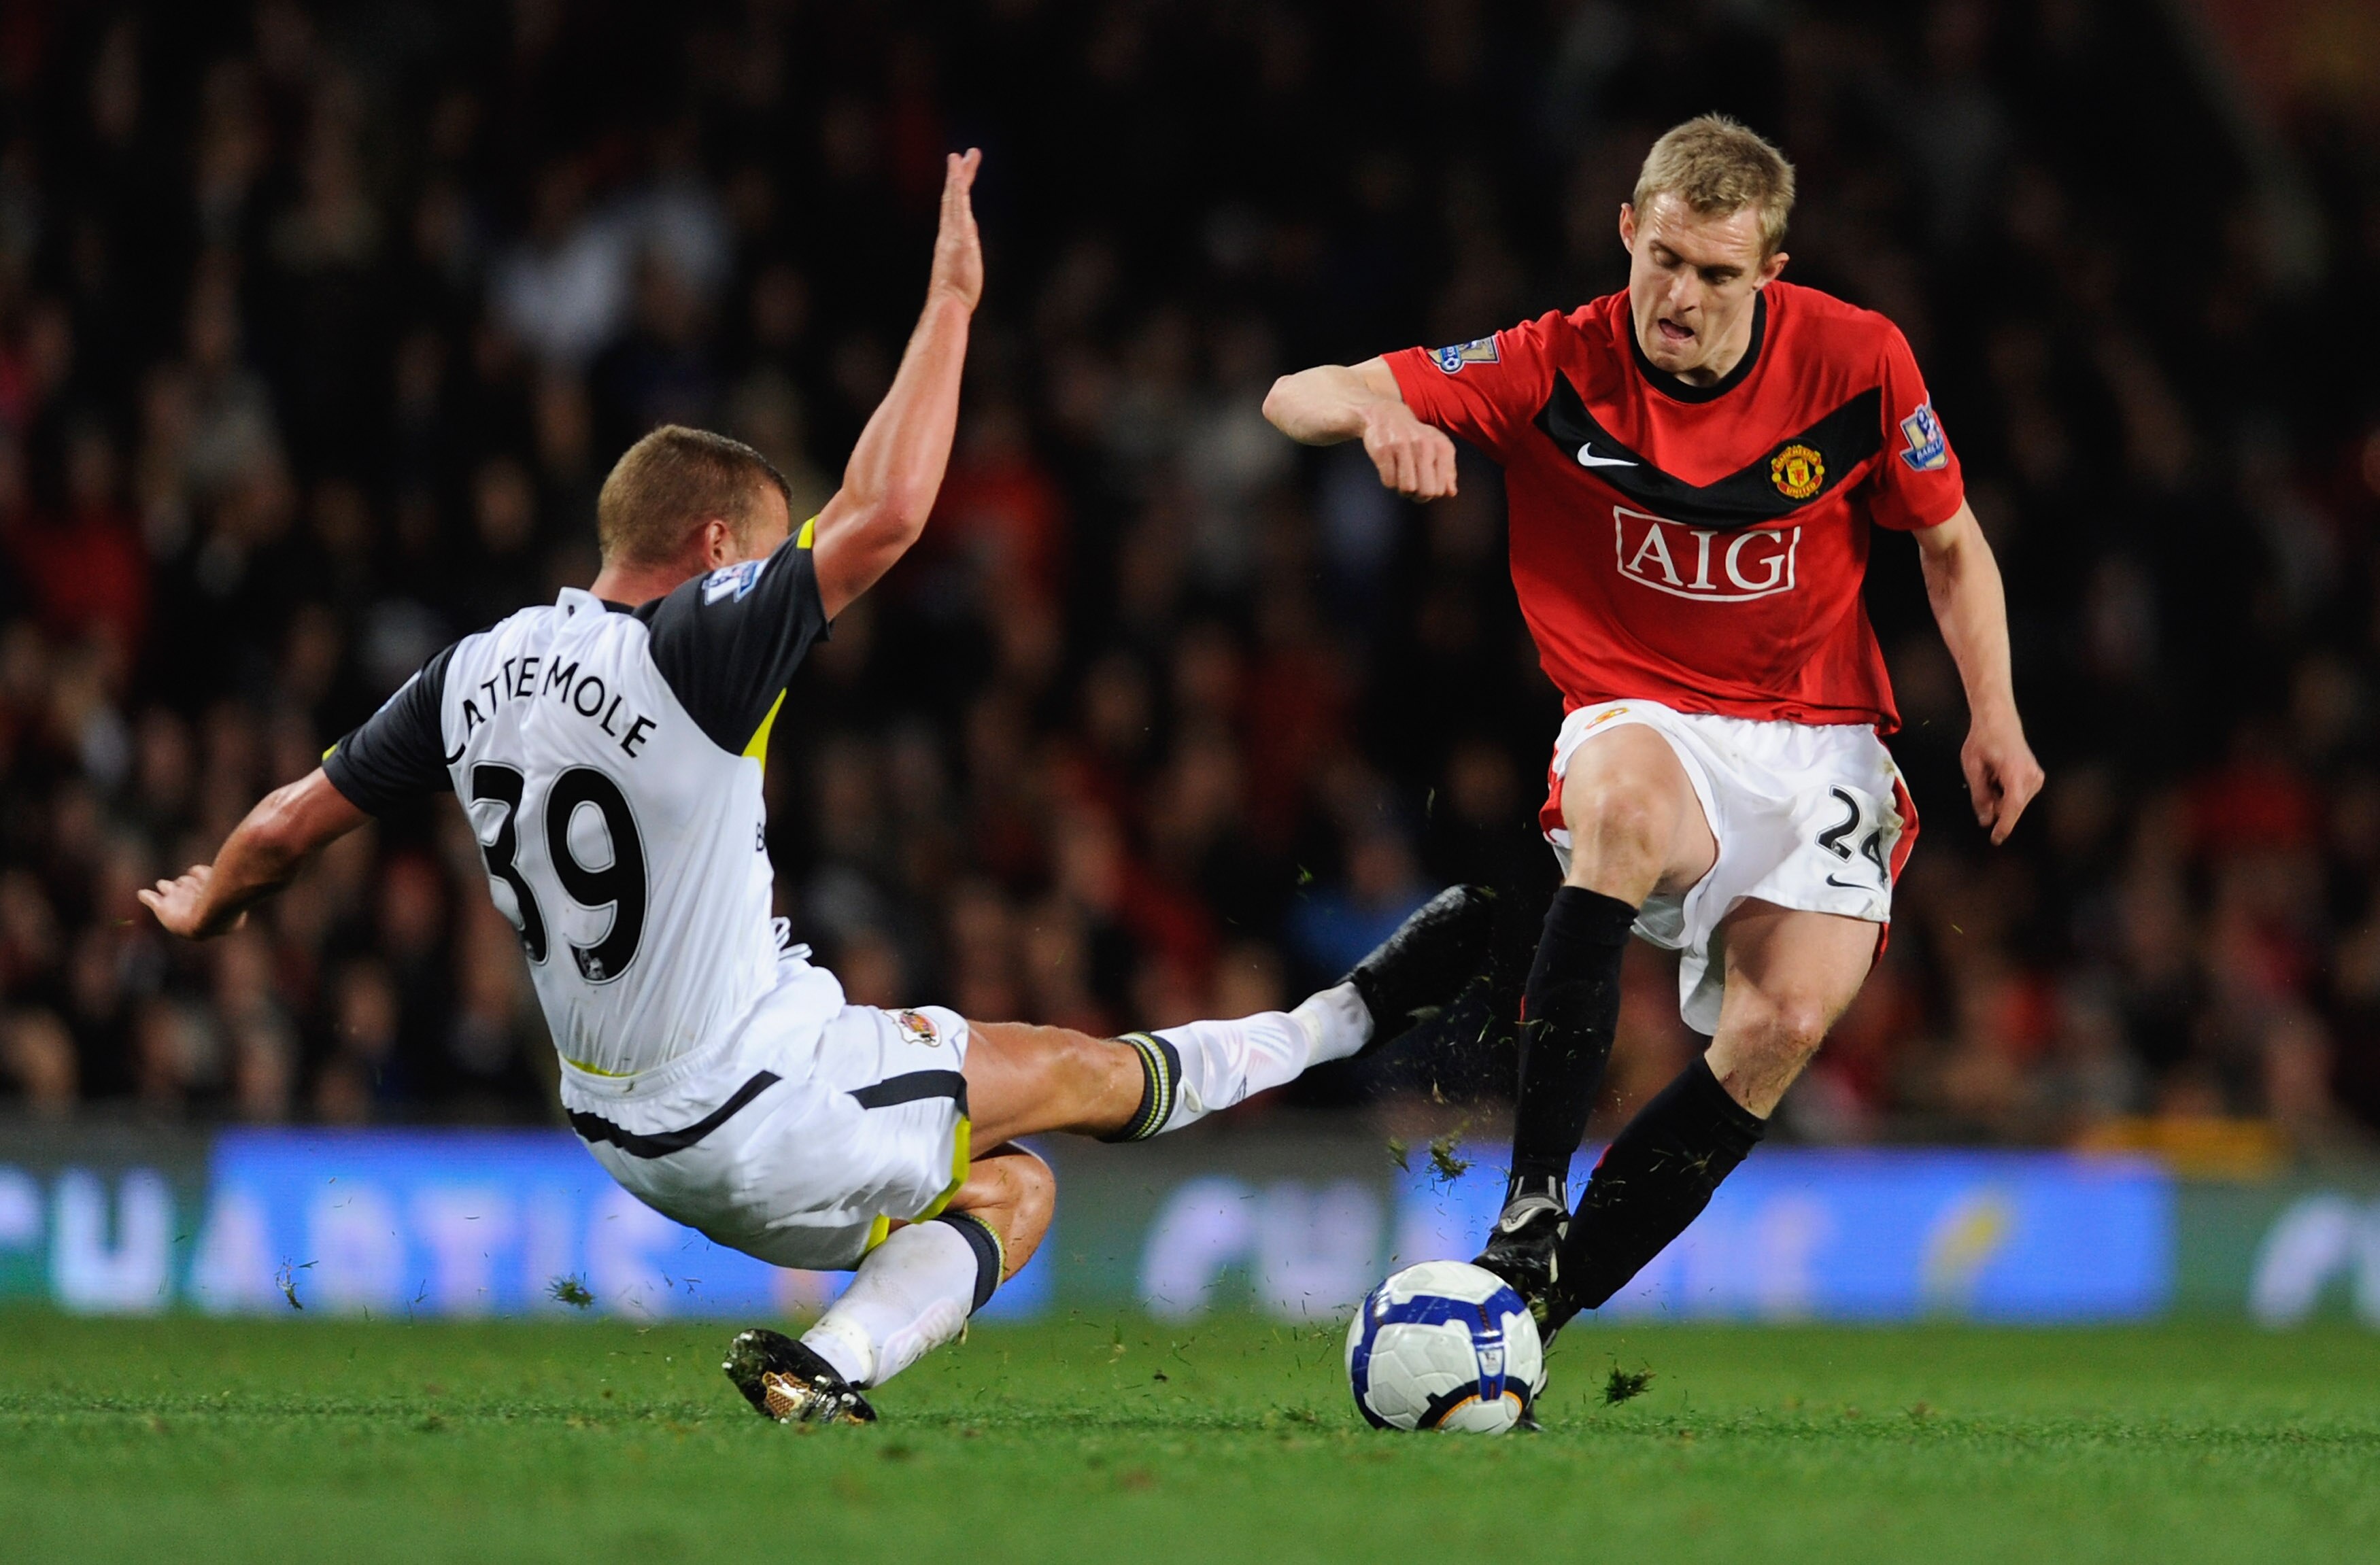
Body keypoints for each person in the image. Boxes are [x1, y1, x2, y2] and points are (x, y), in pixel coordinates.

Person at [141, 150, 1495, 1425]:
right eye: (769, 546)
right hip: (744, 1100)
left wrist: (211, 902)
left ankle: (828, 1365)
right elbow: (888, 508)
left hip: (619, 1112)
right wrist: (954, 301)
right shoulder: (696, 646)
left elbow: (278, 826)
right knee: (1073, 1091)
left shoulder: (470, 668)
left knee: (1006, 1164)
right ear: (720, 544)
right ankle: (1337, 1020)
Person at [1263, 117, 2042, 1347]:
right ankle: (1530, 1200)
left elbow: (1949, 543)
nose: (1678, 295)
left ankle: (1529, 1314)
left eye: (1717, 273)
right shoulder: (1555, 361)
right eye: (1663, 258)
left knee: (1782, 1028)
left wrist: (1993, 713)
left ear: (1769, 273)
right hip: (1643, 715)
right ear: (1628, 229)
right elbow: (1296, 390)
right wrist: (1375, 417)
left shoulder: (1861, 361)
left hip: (1821, 733)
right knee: (1618, 814)